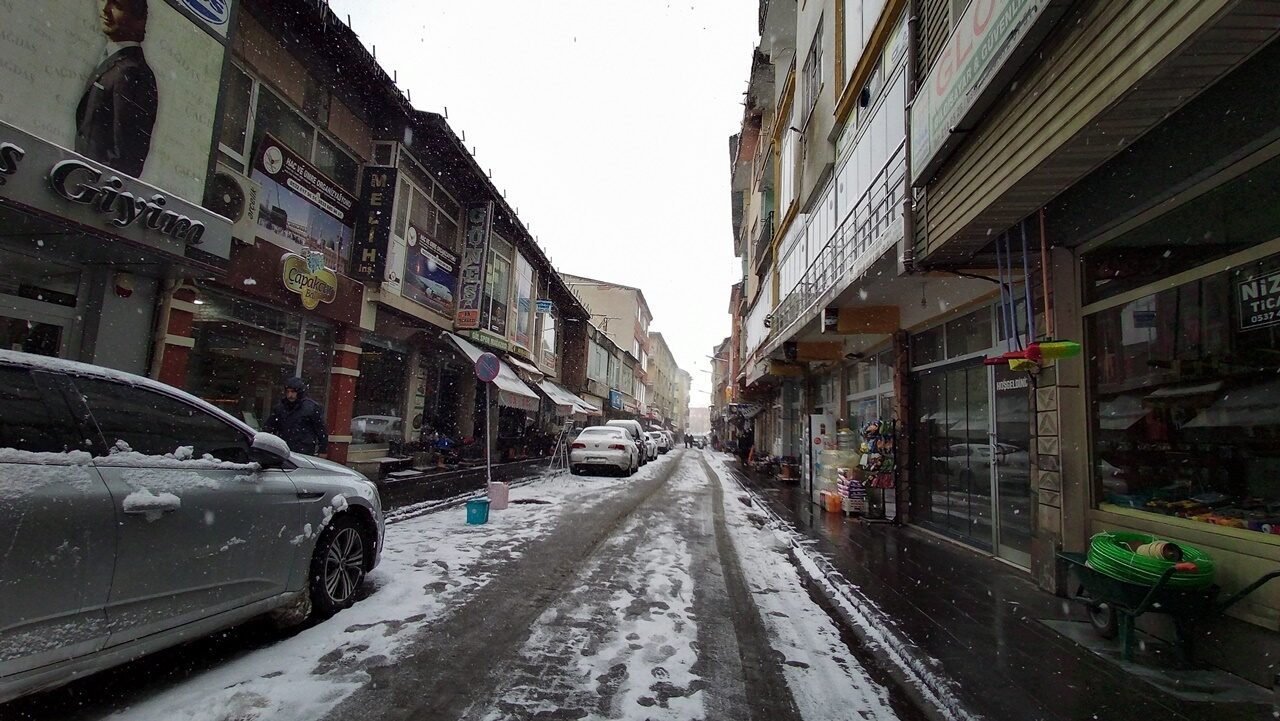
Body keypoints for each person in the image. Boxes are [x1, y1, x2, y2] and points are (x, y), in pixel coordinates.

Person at [75, 0, 158, 177]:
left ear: (138, 20)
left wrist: (94, 184)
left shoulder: (132, 72)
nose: (105, 10)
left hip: (92, 184)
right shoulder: (113, 61)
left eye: (117, 5)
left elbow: (126, 158)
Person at [264, 377, 329, 455]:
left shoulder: (311, 408)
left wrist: (323, 450)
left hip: (303, 451)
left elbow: (321, 430)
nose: (290, 395)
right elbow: (269, 427)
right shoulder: (280, 408)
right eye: (288, 392)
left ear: (299, 392)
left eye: (293, 392)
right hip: (285, 450)